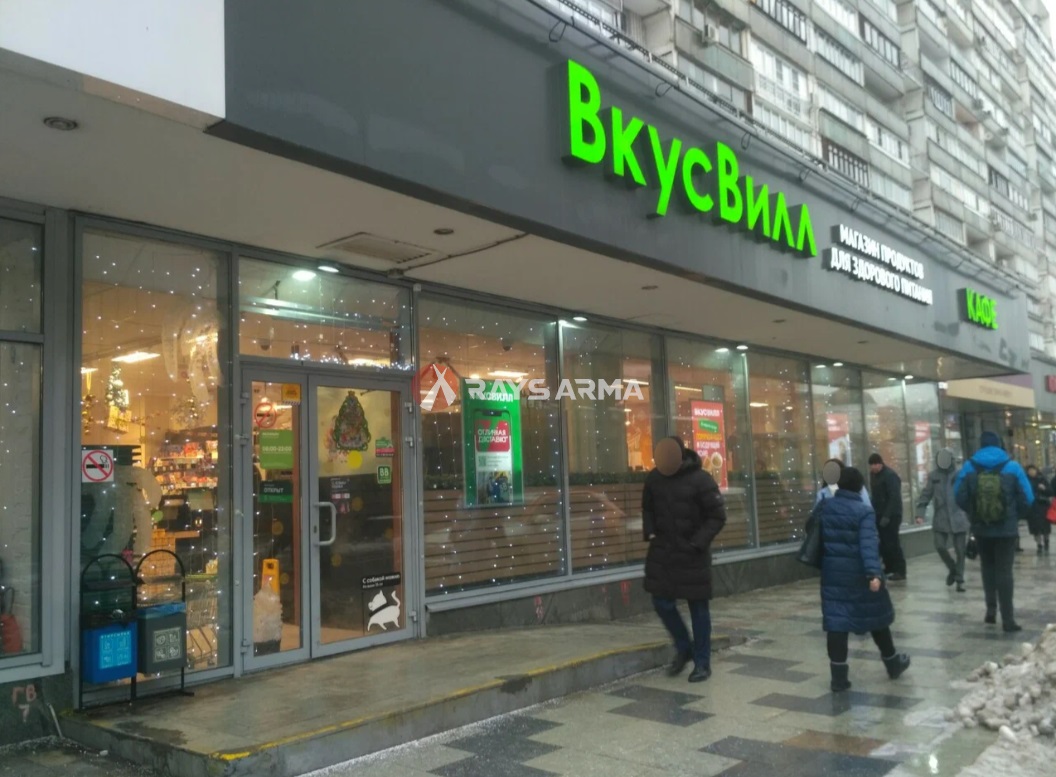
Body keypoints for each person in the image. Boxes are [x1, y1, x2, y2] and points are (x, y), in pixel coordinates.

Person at [816, 466, 910, 692]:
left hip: (832, 574)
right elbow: (868, 545)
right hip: (860, 575)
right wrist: (873, 574)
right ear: (859, 487)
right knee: (877, 618)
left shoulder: (825, 507)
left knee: (837, 623)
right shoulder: (863, 511)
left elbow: (814, 534)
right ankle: (892, 663)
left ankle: (838, 678)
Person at [642, 436, 727, 683]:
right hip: (663, 552)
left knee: (698, 607)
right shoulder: (654, 479)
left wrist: (698, 542)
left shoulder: (701, 479)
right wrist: (650, 530)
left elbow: (717, 516)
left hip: (692, 554)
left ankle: (702, 662)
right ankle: (684, 646)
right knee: (661, 602)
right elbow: (647, 507)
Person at [954, 431, 1034, 633]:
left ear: (980, 445)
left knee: (987, 568)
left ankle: (990, 611)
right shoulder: (1012, 466)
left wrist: (973, 513)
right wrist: (1014, 516)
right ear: (999, 444)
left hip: (981, 528)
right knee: (1004, 571)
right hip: (1006, 530)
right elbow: (1028, 497)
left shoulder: (969, 466)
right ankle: (1008, 620)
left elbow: (958, 495)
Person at [915, 448, 970, 592]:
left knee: (960, 551)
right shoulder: (934, 476)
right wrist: (920, 513)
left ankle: (960, 580)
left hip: (958, 516)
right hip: (941, 516)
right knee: (939, 546)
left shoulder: (960, 474)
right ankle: (953, 568)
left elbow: (968, 494)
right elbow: (926, 494)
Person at [868, 453, 906, 581]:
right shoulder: (873, 475)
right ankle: (889, 567)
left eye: (875, 465)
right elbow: (875, 496)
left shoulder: (890, 475)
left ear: (880, 464)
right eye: (871, 465)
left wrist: (887, 515)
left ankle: (900, 570)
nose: (873, 467)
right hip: (879, 513)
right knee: (884, 543)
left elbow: (894, 497)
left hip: (892, 515)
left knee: (893, 542)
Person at [1025, 464, 1051, 555]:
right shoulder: (1025, 480)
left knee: (1045, 527)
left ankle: (1046, 540)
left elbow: (1050, 492)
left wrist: (1044, 488)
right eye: (1029, 470)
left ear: (1036, 470)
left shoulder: (1042, 479)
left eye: (1033, 470)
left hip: (1043, 506)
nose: (1031, 472)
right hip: (1032, 507)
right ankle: (1039, 544)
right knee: (1035, 528)